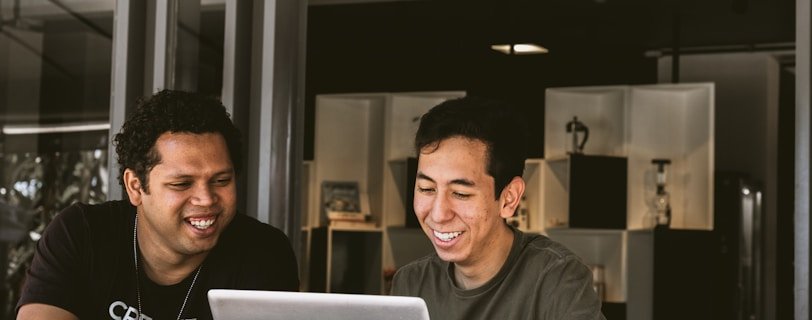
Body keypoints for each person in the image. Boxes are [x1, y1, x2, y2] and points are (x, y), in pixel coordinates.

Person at [16, 90, 299, 320]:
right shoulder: (82, 233)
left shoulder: (263, 253)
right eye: (182, 184)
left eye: (221, 180)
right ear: (136, 187)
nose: (207, 199)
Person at [391, 97, 605, 319]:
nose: (438, 214)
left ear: (509, 198)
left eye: (460, 193)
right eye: (426, 189)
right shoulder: (411, 283)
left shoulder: (558, 279)